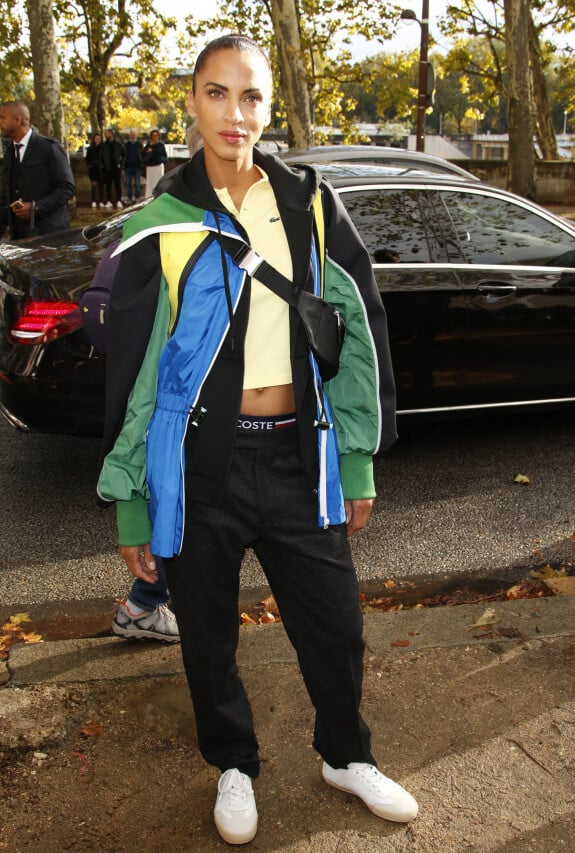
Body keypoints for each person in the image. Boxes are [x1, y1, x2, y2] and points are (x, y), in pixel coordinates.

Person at [97, 34, 418, 846]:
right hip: (200, 463)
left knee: (336, 625)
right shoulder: (159, 224)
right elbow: (138, 373)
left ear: (269, 108)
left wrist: (353, 457)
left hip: (296, 456)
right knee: (206, 632)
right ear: (193, 101)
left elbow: (352, 331)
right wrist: (133, 501)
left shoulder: (309, 203)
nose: (234, 114)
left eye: (250, 97)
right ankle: (234, 763)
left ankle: (346, 754)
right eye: (216, 93)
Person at [0, 100, 75, 240]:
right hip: (20, 239)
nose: (0, 122)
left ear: (17, 120)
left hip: (50, 235)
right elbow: (6, 198)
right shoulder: (10, 152)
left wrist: (36, 207)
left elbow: (67, 188)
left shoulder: (49, 148)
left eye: (2, 118)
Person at [100, 128, 125, 209]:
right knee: (108, 185)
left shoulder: (118, 144)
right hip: (107, 168)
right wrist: (102, 166)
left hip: (116, 168)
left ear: (111, 133)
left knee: (118, 184)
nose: (106, 135)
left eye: (107, 133)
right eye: (105, 133)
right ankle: (109, 201)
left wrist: (120, 164)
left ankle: (119, 200)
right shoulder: (104, 145)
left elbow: (124, 155)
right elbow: (101, 157)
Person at [142, 128, 167, 197]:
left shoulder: (161, 145)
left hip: (158, 166)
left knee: (159, 182)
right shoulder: (148, 146)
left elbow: (164, 156)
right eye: (153, 136)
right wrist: (148, 152)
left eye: (156, 135)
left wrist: (162, 161)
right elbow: (143, 155)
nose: (155, 137)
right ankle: (149, 196)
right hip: (150, 167)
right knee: (150, 183)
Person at [85, 132, 105, 208]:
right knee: (94, 185)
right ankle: (93, 201)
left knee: (101, 186)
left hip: (101, 169)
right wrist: (89, 165)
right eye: (96, 139)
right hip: (93, 169)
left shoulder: (102, 148)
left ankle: (101, 201)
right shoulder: (90, 149)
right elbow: (87, 159)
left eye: (99, 139)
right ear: (94, 139)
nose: (97, 140)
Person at [123, 129, 144, 203]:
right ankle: (129, 198)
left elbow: (142, 154)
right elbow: (123, 155)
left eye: (134, 135)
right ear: (129, 136)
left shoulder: (139, 144)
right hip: (128, 167)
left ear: (136, 135)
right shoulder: (126, 144)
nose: (132, 136)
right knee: (128, 184)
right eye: (131, 135)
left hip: (137, 166)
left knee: (138, 183)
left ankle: (137, 197)